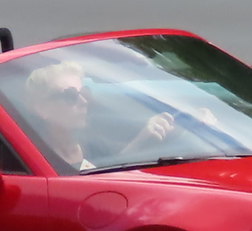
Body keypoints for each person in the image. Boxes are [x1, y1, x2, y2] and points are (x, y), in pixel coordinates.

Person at [16, 58, 178, 173]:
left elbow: (119, 163)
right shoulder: (34, 158)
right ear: (42, 108)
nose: (84, 101)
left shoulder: (90, 142)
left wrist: (149, 134)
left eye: (84, 92)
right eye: (70, 96)